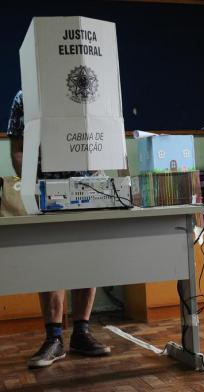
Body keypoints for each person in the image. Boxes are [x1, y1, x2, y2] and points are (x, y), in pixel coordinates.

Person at [7, 90, 111, 368]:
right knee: (50, 262)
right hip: (46, 191)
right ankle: (53, 338)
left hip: (88, 187)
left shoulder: (90, 90)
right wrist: (34, 187)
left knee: (86, 259)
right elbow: (17, 149)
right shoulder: (25, 96)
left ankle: (81, 332)